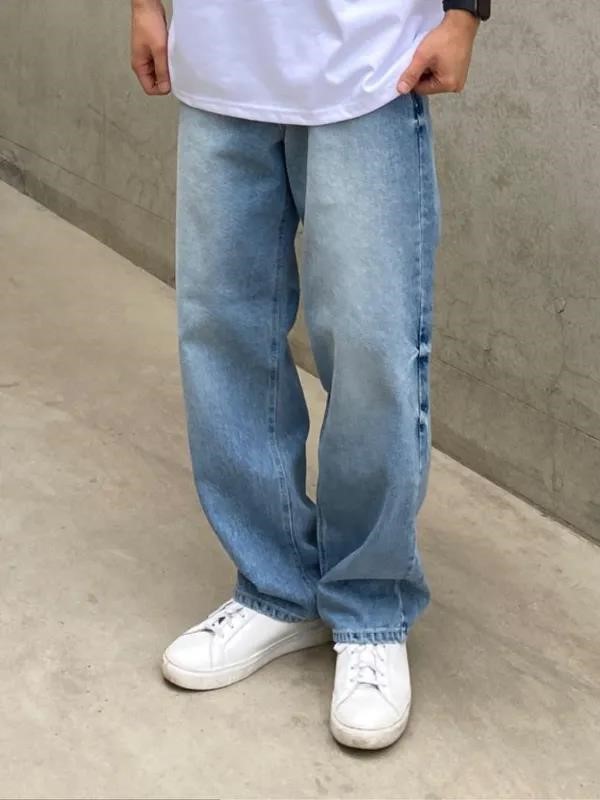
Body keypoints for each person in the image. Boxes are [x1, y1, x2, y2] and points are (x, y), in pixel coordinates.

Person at [131, 0, 489, 750]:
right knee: (222, 330)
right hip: (218, 56)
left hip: (372, 61)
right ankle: (275, 584)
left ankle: (370, 607)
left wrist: (464, 14)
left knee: (371, 346)